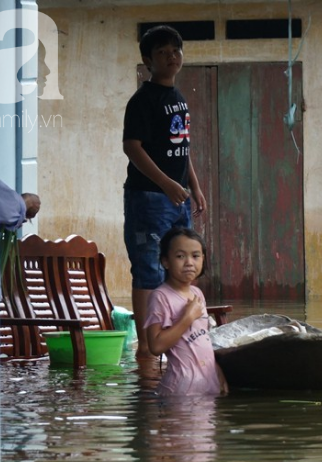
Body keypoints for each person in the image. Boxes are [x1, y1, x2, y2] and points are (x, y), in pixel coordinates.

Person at [123, 25, 207, 360]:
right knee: (148, 267)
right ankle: (147, 348)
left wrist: (194, 186)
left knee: (179, 263)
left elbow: (181, 148)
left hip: (177, 197)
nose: (172, 57)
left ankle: (174, 338)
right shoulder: (143, 100)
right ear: (148, 60)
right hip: (148, 198)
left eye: (176, 51)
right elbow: (132, 147)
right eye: (162, 52)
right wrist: (165, 183)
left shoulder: (178, 98)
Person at [144, 227, 227, 397]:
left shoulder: (197, 294)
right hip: (181, 388)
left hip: (207, 383)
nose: (189, 262)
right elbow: (156, 346)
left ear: (203, 259)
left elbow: (203, 339)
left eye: (195, 256)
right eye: (180, 256)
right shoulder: (160, 297)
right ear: (166, 261)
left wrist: (218, 371)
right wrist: (187, 317)